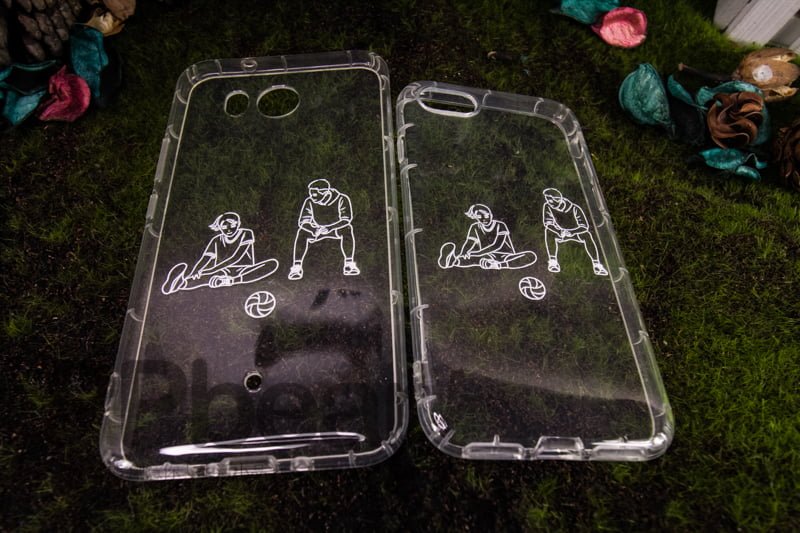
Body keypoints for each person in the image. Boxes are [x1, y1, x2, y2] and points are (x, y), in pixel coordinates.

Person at [161, 211, 278, 295]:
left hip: (243, 269)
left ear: (238, 224)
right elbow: (205, 259)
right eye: (224, 226)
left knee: (271, 264)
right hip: (223, 270)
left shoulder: (246, 233)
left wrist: (212, 270)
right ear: (219, 227)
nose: (228, 229)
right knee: (203, 279)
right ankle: (180, 283)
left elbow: (236, 258)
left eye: (232, 225)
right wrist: (195, 272)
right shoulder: (216, 240)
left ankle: (230, 281)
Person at [288, 179, 360, 280]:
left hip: (335, 229)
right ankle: (296, 267)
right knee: (302, 232)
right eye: (310, 193)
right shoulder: (309, 201)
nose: (312, 196)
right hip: (316, 230)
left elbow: (346, 219)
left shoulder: (341, 199)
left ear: (325, 192)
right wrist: (313, 229)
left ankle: (349, 264)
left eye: (314, 194)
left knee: (347, 229)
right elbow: (303, 221)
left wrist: (330, 228)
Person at [438, 204, 537, 270]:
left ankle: (498, 265)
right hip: (487, 255)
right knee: (472, 259)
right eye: (479, 217)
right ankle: (453, 261)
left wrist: (477, 253)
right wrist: (464, 253)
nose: (484, 219)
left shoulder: (500, 225)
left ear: (490, 214)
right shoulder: (475, 227)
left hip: (504, 255)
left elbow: (497, 245)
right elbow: (469, 243)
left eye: (486, 215)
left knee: (530, 256)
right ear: (475, 218)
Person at [541, 188, 608, 276]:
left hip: (576, 232)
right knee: (549, 232)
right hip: (561, 233)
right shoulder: (547, 206)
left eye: (550, 200)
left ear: (558, 200)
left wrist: (572, 232)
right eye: (547, 199)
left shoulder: (574, 208)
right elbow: (548, 223)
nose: (548, 202)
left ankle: (597, 264)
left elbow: (584, 226)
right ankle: (553, 262)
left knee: (587, 235)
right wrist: (559, 231)